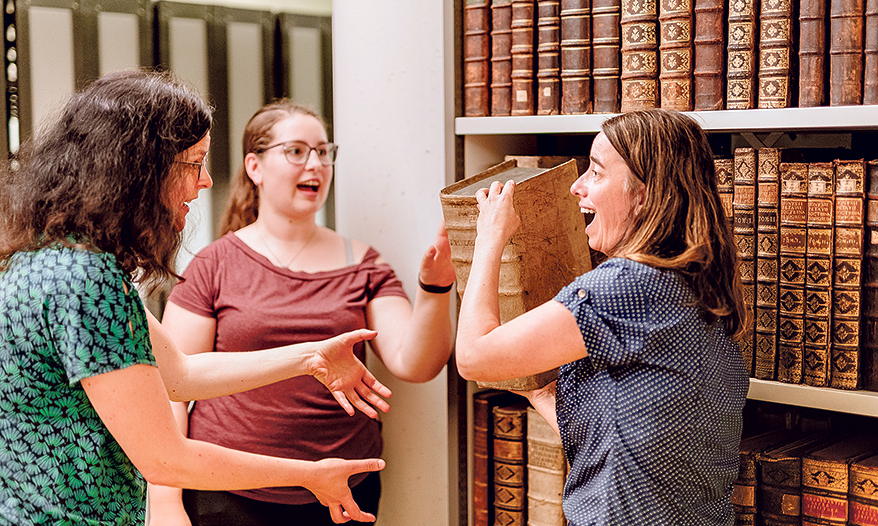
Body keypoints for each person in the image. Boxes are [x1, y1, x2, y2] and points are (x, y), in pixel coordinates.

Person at [0, 70, 395, 526]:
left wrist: (311, 357)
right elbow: (166, 458)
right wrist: (310, 475)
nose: (206, 181)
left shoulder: (56, 255)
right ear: (139, 168)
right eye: (194, 163)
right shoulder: (86, 281)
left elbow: (180, 372)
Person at [147, 99, 456, 526]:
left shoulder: (364, 264)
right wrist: (164, 502)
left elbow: (417, 363)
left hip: (342, 494)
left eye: (324, 152)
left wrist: (436, 286)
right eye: (296, 151)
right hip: (228, 493)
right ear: (254, 166)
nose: (315, 164)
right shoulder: (214, 264)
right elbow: (171, 387)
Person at [455, 108, 749, 525]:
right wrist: (538, 393)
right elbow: (620, 438)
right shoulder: (701, 287)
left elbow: (471, 357)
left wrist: (490, 237)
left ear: (645, 194)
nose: (577, 187)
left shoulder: (627, 285)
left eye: (595, 173)